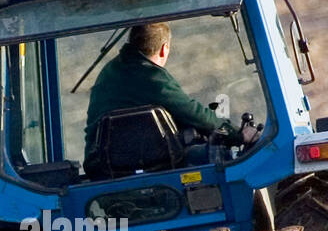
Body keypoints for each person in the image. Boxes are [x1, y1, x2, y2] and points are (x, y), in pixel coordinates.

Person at [84, 22, 257, 163]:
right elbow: (194, 114)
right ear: (164, 49)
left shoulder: (109, 71)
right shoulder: (151, 76)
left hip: (100, 165)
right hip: (150, 164)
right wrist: (237, 134)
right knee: (212, 157)